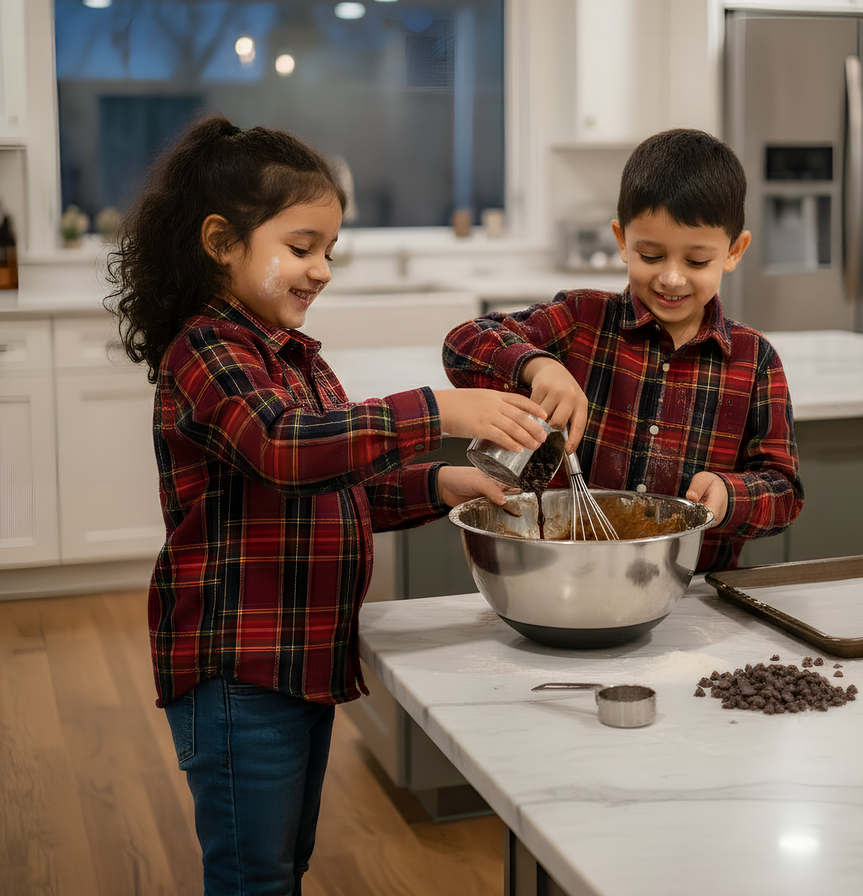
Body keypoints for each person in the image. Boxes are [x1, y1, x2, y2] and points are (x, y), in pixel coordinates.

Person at [107, 115, 547, 896]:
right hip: (239, 668)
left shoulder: (293, 356)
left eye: (328, 252)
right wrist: (437, 410)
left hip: (302, 659)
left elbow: (331, 481)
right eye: (301, 247)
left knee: (283, 864)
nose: (321, 270)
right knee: (252, 877)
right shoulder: (207, 350)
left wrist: (441, 483)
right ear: (220, 242)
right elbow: (286, 448)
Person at [444, 127, 804, 571]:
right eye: (651, 256)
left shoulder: (754, 361)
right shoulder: (581, 320)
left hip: (695, 599)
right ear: (621, 241)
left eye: (696, 261)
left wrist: (732, 496)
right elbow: (463, 342)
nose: (672, 278)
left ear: (734, 251)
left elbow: (784, 492)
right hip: (562, 577)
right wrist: (536, 366)